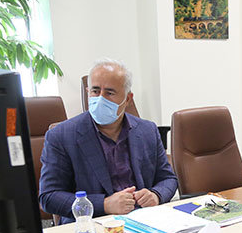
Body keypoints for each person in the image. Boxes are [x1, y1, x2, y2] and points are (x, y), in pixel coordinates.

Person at [39, 58, 178, 223]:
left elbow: (168, 179)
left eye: (109, 93)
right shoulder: (61, 135)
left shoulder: (147, 130)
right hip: (91, 225)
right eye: (95, 91)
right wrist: (104, 204)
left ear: (127, 99)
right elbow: (49, 197)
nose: (101, 99)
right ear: (88, 92)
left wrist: (156, 195)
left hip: (143, 221)